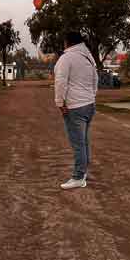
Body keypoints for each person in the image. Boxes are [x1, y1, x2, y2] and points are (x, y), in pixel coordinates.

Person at [54, 31, 97, 190]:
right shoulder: (88, 57)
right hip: (89, 104)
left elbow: (60, 82)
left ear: (67, 42)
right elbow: (95, 78)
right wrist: (92, 96)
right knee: (84, 142)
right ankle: (83, 172)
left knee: (78, 144)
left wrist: (60, 102)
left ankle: (78, 177)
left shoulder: (66, 58)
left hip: (75, 107)